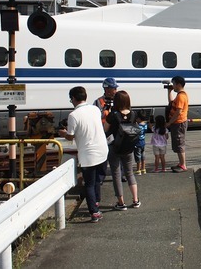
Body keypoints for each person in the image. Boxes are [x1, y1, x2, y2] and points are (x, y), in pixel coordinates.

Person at [58, 86, 108, 223]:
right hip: (103, 150)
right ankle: (96, 203)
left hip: (88, 155)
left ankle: (94, 212)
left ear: (73, 98)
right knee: (98, 180)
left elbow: (70, 136)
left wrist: (63, 133)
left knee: (90, 184)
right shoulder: (95, 109)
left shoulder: (73, 115)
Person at [103, 90, 140, 210]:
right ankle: (135, 200)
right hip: (128, 148)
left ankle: (121, 202)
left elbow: (105, 129)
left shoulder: (113, 115)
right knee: (129, 173)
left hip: (114, 147)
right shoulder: (133, 114)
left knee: (116, 174)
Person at [94, 77, 119, 181]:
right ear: (107, 89)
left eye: (115, 88)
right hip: (104, 132)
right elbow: (95, 116)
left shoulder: (119, 100)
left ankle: (119, 175)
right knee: (103, 155)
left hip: (116, 131)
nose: (115, 91)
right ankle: (101, 176)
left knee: (118, 153)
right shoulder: (98, 102)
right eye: (113, 88)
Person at [165, 76, 189, 173]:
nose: (173, 86)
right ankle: (181, 163)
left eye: (174, 84)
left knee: (179, 143)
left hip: (179, 123)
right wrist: (169, 91)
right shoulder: (179, 95)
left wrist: (169, 122)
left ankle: (183, 165)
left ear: (178, 84)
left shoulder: (181, 96)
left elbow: (178, 112)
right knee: (177, 143)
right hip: (177, 123)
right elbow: (171, 103)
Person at [134, 110, 148, 175]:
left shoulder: (138, 126)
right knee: (143, 156)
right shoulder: (145, 125)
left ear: (139, 118)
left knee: (138, 157)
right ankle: (143, 169)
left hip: (137, 143)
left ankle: (138, 169)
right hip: (143, 142)